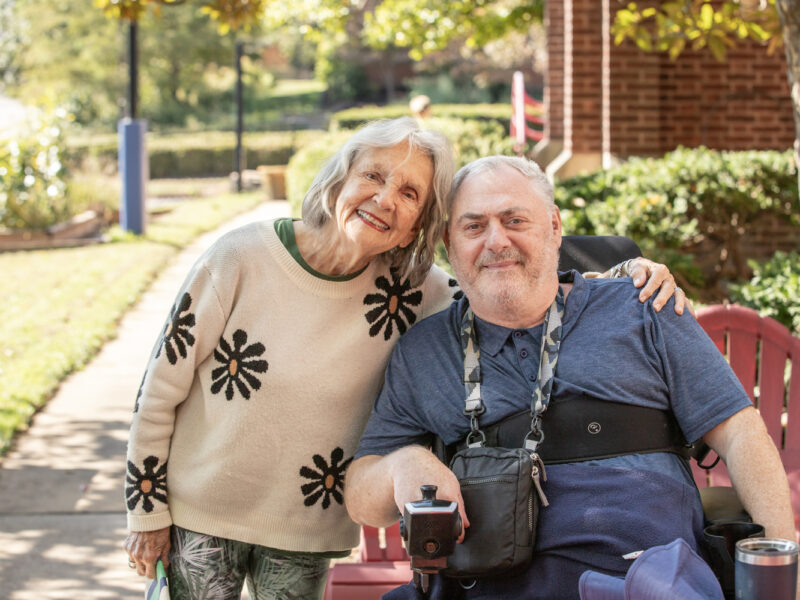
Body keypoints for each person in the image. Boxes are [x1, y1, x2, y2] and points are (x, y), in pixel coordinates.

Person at [124, 120, 683, 600]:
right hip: (202, 512)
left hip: (305, 528)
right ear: (340, 179)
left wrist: (625, 274)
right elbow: (159, 388)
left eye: (409, 193)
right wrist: (146, 511)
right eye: (373, 175)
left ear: (417, 227)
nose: (385, 198)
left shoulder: (416, 292)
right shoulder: (242, 256)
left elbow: (516, 278)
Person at [344, 155, 796, 600]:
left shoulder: (645, 308)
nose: (496, 241)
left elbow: (740, 434)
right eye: (474, 226)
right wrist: (401, 465)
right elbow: (361, 496)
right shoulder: (424, 351)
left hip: (645, 581)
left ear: (555, 227)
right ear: (449, 241)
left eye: (515, 220)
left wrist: (781, 576)